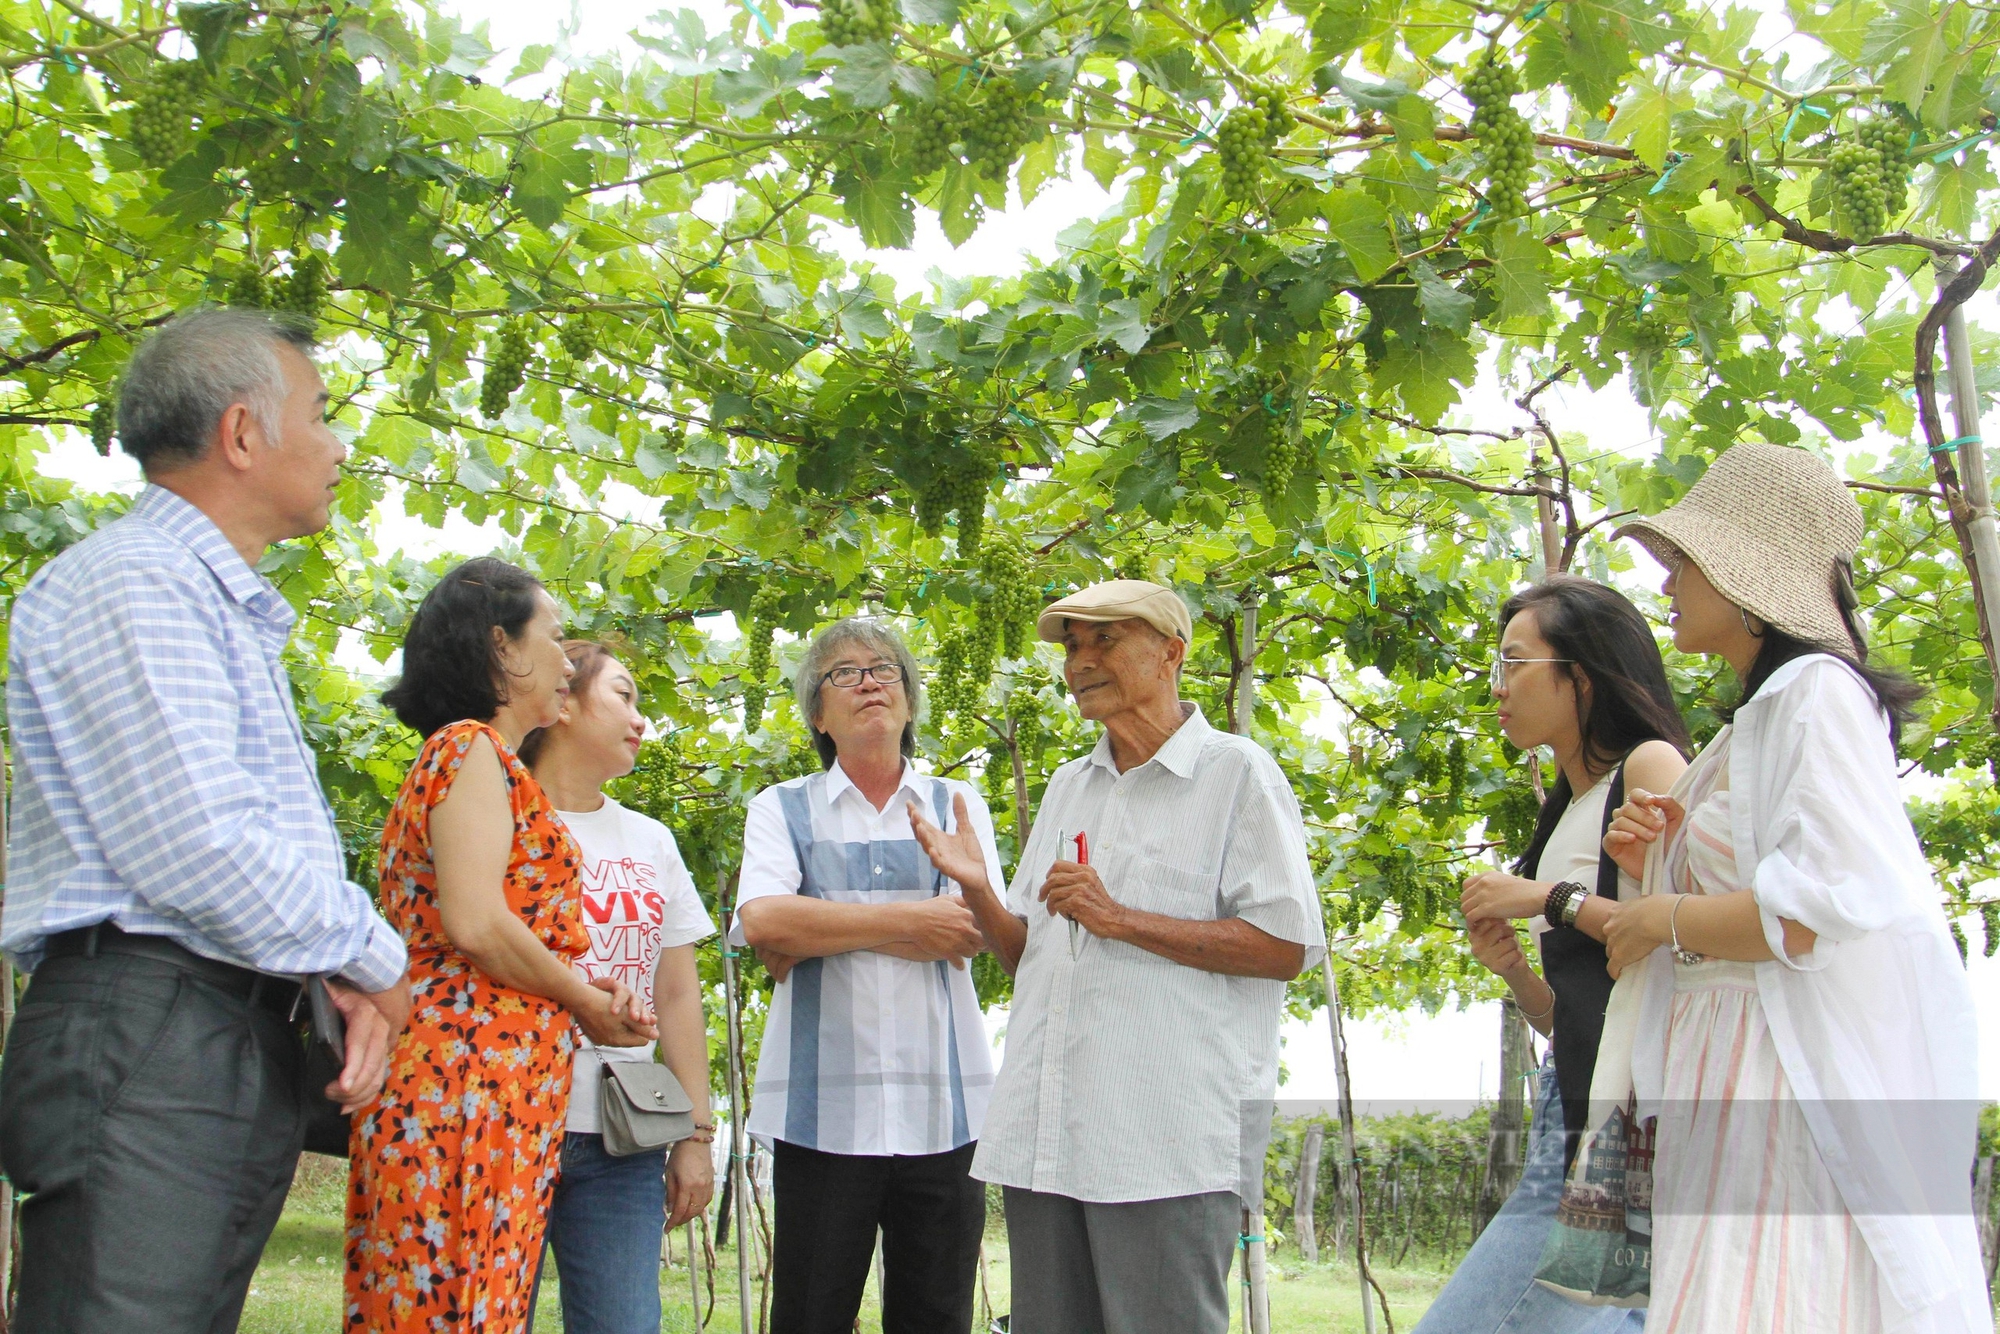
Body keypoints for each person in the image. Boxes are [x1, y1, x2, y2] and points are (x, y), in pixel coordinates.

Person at [0, 308, 410, 1334]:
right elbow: (197, 842)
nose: (339, 444)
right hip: (151, 1031)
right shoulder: (138, 582)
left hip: (204, 1030)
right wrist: (372, 956)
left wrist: (328, 968)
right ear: (241, 433)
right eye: (320, 414)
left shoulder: (200, 596)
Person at [1600, 443, 1989, 1333]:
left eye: (1683, 564)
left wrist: (1662, 913)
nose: (1667, 588)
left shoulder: (1814, 694)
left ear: (1744, 577)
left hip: (1773, 1084)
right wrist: (1652, 863)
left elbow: (1814, 914)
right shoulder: (1761, 719)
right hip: (1728, 1080)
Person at [909, 579, 1324, 1334]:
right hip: (1049, 1136)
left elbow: (1287, 946)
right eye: (1072, 645)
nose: (1080, 661)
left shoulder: (1237, 775)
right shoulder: (1072, 783)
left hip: (1165, 1143)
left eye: (1104, 640)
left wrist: (1120, 918)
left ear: (1171, 653)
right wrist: (977, 890)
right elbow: (1032, 956)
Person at [346, 560, 657, 1333]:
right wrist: (584, 999)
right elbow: (478, 922)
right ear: (502, 648)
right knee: (454, 1306)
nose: (565, 658)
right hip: (465, 1085)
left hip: (501, 1090)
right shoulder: (468, 749)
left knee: (473, 1302)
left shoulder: (486, 760)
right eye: (552, 637)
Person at [1416, 575, 1688, 1334]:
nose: (1496, 688)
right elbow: (1572, 1014)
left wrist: (1545, 899)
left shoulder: (1651, 765)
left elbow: (1684, 934)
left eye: (1514, 663)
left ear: (1583, 674)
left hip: (1621, 1120)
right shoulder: (1564, 807)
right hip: (1574, 1101)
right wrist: (1513, 970)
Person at [733, 617, 1000, 1334]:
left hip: (948, 1114)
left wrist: (820, 922)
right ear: (818, 714)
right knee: (809, 1318)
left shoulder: (956, 805)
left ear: (909, 702)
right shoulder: (780, 808)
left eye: (884, 670)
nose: (869, 683)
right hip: (819, 1117)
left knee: (937, 1318)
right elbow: (763, 924)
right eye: (843, 673)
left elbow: (975, 930)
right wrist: (916, 921)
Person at [520, 640, 717, 1334]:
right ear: (563, 700)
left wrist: (697, 1133)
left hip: (620, 1138)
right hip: (509, 1118)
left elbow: (677, 996)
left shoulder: (650, 840)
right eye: (625, 696)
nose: (641, 720)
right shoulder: (501, 819)